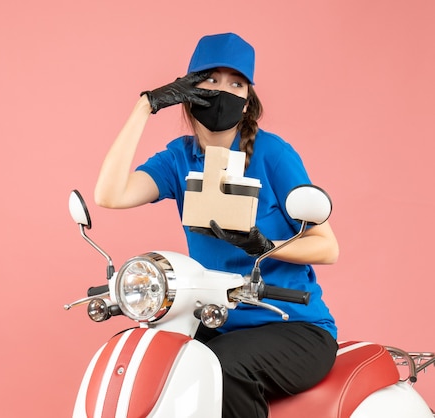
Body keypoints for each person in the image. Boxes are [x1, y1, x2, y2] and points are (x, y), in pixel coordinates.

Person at [94, 32, 339, 418]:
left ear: (246, 104)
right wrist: (146, 106)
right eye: (210, 79)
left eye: (236, 83)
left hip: (294, 326)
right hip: (216, 319)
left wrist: (262, 244)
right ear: (187, 92)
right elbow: (110, 195)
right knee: (144, 354)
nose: (222, 90)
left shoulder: (273, 153)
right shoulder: (180, 158)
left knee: (220, 367)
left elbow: (328, 247)